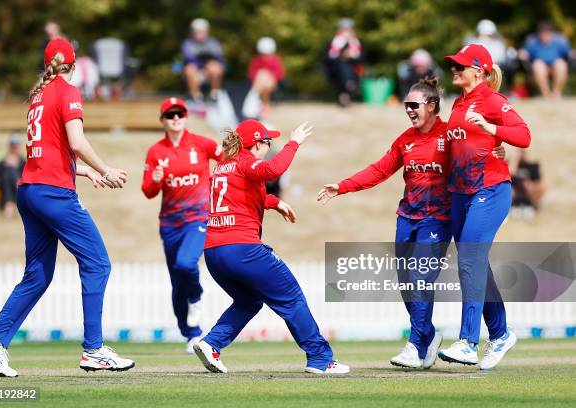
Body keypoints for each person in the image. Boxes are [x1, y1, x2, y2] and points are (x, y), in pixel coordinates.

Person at [0, 38, 134, 377]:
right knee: (98, 263)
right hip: (53, 193)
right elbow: (76, 142)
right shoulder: (68, 92)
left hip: (30, 191)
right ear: (74, 66)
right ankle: (94, 350)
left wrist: (85, 172)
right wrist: (105, 169)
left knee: (38, 275)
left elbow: (52, 151)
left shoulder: (38, 96)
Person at [318, 77, 507, 369]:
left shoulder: (451, 136)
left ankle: (415, 345)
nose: (408, 110)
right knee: (407, 285)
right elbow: (379, 170)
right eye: (406, 105)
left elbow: (478, 145)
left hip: (439, 219)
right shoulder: (405, 139)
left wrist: (497, 149)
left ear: (432, 106)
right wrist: (341, 187)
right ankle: (429, 336)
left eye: (413, 105)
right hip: (407, 218)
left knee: (420, 278)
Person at [193, 120, 349, 375]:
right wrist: (294, 142)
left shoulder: (223, 167)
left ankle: (211, 343)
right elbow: (273, 169)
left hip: (213, 253)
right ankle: (321, 358)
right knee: (292, 296)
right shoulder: (246, 162)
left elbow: (239, 195)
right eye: (267, 142)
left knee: (249, 301)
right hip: (243, 249)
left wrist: (274, 202)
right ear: (256, 144)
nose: (269, 145)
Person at [438, 44, 531, 370]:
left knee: (471, 258)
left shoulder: (493, 100)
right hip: (462, 193)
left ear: (480, 71)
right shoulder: (459, 103)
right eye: (454, 65)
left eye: (461, 66)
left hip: (490, 190)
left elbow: (523, 135)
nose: (455, 70)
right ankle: (502, 333)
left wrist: (493, 130)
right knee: (473, 261)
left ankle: (467, 342)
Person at [141, 97, 223, 354]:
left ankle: (196, 296)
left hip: (198, 217)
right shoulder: (156, 151)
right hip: (170, 223)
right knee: (177, 283)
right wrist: (154, 181)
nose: (175, 119)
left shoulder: (201, 143)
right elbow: (147, 191)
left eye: (180, 114)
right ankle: (191, 334)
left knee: (186, 264)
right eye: (170, 115)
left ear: (186, 117)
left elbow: (226, 160)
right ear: (163, 120)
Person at [519, 21, 572, 99]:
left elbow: (569, 53)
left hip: (555, 67)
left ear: (551, 33)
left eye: (546, 33)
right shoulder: (532, 42)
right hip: (540, 68)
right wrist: (522, 53)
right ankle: (545, 93)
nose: (544, 35)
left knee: (560, 64)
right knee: (538, 65)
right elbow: (525, 53)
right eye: (542, 33)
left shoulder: (560, 41)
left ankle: (556, 93)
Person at [464, 19, 518, 90]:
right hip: (479, 66)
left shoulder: (498, 43)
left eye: (489, 35)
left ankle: (507, 89)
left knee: (511, 65)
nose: (486, 37)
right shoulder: (473, 42)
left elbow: (501, 58)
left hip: (496, 66)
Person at [181, 18, 225, 103]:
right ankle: (196, 98)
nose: (199, 34)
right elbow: (189, 58)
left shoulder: (213, 43)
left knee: (214, 67)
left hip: (209, 72)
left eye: (201, 31)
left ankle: (214, 96)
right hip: (196, 72)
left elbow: (219, 58)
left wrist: (207, 63)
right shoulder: (188, 43)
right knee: (190, 69)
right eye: (197, 32)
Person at [242, 37, 285, 119]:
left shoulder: (275, 60)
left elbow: (280, 74)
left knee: (263, 75)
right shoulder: (256, 60)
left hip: (271, 84)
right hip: (260, 84)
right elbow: (251, 74)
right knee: (262, 75)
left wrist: (267, 75)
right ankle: (264, 105)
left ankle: (253, 101)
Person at [324, 18, 363, 107]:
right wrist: (342, 54)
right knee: (342, 66)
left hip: (353, 70)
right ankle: (347, 87)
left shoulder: (355, 42)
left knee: (348, 68)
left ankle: (347, 89)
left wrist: (350, 55)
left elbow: (360, 58)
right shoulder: (336, 41)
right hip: (336, 70)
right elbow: (329, 57)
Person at [0, 133, 26, 218]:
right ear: (9, 146)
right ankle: (10, 205)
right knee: (9, 171)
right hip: (3, 189)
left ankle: (9, 206)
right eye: (13, 146)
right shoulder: (2, 161)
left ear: (20, 146)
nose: (14, 148)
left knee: (11, 172)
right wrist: (4, 165)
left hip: (18, 189)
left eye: (16, 146)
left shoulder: (23, 162)